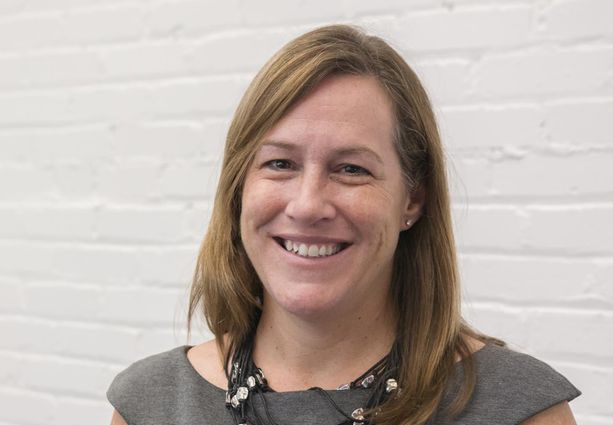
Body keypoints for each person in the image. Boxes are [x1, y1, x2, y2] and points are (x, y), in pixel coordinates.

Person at [107, 25, 580, 425]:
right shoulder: (152, 405)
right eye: (280, 163)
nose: (308, 204)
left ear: (412, 199)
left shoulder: (516, 409)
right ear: (238, 188)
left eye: (351, 169)